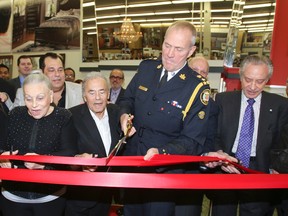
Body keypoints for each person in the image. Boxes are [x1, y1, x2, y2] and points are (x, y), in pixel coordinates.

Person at [119, 20, 236, 216]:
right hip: (133, 162)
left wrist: (162, 152)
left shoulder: (197, 88)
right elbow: (127, 99)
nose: (170, 54)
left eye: (179, 49)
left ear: (191, 51)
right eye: (167, 45)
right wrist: (123, 115)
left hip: (164, 171)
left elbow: (192, 140)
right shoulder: (147, 68)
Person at [209, 55, 288, 216]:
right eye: (248, 79)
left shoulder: (279, 105)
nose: (252, 86)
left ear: (267, 80)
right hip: (227, 166)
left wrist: (276, 167)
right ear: (240, 76)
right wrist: (219, 155)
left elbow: (282, 142)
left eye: (259, 81)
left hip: (260, 170)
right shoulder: (223, 101)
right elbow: (212, 134)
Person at [0, 73, 78, 216]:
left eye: (40, 98)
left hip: (50, 197)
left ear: (50, 94)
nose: (34, 105)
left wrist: (43, 162)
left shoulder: (63, 116)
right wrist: (3, 157)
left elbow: (69, 152)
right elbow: (2, 145)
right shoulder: (15, 114)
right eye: (28, 99)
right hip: (12, 196)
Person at [65, 72, 131, 216]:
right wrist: (78, 159)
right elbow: (66, 151)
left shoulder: (117, 113)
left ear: (108, 94)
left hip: (107, 194)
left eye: (102, 92)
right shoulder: (71, 116)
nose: (97, 98)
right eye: (91, 92)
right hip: (80, 197)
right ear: (84, 96)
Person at [4, 52, 83, 109]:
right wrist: (6, 99)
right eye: (51, 70)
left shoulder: (80, 91)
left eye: (60, 70)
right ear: (42, 72)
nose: (57, 74)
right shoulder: (23, 93)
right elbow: (14, 117)